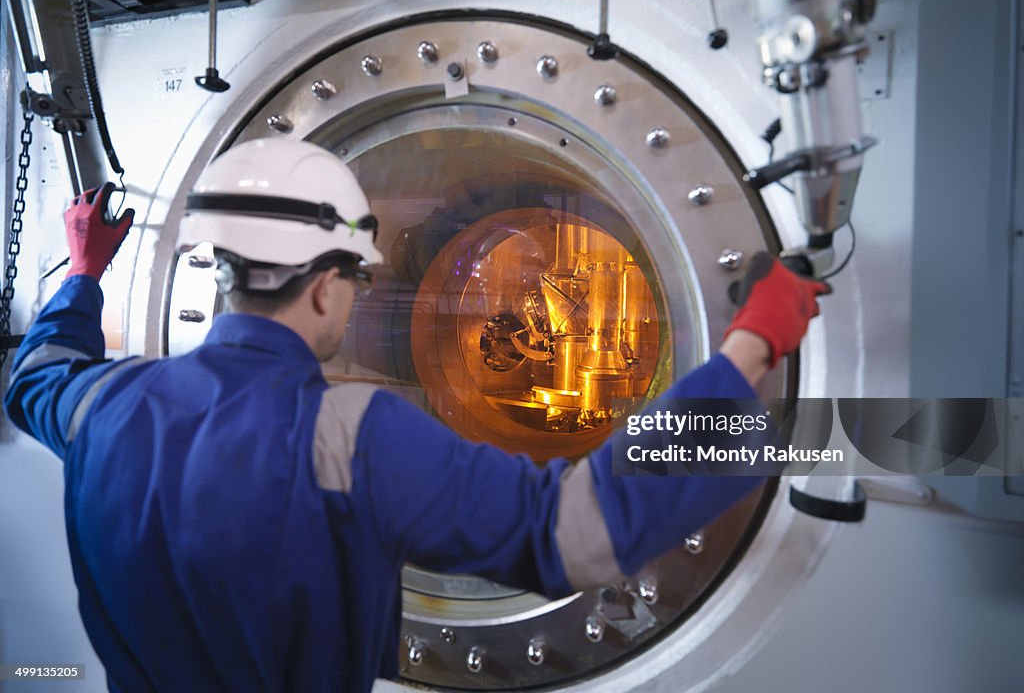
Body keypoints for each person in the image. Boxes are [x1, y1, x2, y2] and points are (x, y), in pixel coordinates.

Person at [4, 138, 829, 693]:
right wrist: (748, 351)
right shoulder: (347, 434)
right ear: (326, 284)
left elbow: (31, 376)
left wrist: (82, 272)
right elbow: (575, 531)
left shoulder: (106, 405)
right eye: (358, 280)